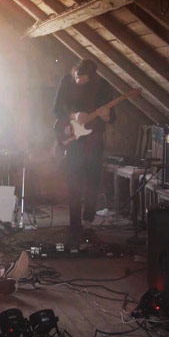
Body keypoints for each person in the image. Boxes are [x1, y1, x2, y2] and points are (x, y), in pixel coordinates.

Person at [52, 59, 116, 240]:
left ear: (92, 78)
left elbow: (112, 117)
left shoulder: (103, 86)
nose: (79, 82)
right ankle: (74, 223)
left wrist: (106, 116)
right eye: (77, 78)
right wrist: (73, 116)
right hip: (73, 140)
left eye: (83, 80)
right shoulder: (66, 81)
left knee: (92, 182)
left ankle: (88, 221)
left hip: (94, 140)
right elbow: (56, 109)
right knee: (73, 182)